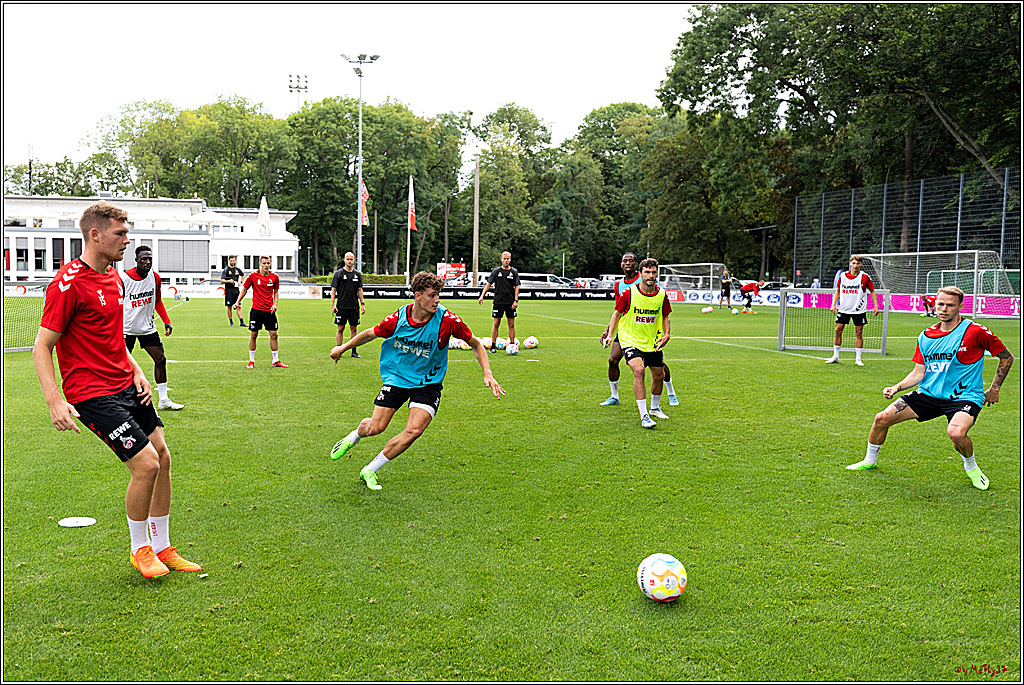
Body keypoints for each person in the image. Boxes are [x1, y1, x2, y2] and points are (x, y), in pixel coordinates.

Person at [32, 200, 200, 578]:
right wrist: (54, 399)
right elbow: (42, 346)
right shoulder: (67, 284)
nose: (127, 241)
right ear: (95, 235)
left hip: (126, 383)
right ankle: (140, 550)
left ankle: (163, 547)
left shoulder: (114, 277)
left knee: (163, 457)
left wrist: (137, 370)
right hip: (92, 393)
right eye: (120, 234)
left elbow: (113, 339)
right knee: (146, 464)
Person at [328, 271, 505, 490]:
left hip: (429, 383)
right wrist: (342, 348)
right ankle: (354, 436)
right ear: (417, 295)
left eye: (438, 295)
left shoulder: (448, 320)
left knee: (414, 431)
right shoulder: (398, 318)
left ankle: (370, 469)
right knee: (375, 427)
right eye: (431, 295)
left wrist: (488, 373)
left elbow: (476, 344)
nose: (437, 300)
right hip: (398, 377)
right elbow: (370, 334)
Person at [846, 287, 1013, 491]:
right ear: (935, 304)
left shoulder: (975, 331)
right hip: (929, 394)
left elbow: (1006, 357)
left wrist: (994, 389)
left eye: (950, 305)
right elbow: (919, 373)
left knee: (956, 433)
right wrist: (897, 387)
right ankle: (869, 460)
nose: (944, 309)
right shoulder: (926, 335)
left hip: (964, 396)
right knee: (881, 418)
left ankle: (972, 468)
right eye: (940, 304)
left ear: (960, 306)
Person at [600, 251, 678, 407]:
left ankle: (671, 392)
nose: (627, 263)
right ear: (621, 264)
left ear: (636, 265)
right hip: (627, 330)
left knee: (659, 366)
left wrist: (666, 333)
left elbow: (663, 312)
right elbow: (619, 311)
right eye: (625, 261)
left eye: (631, 261)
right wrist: (609, 331)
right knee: (612, 360)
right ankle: (614, 396)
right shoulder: (619, 285)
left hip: (646, 330)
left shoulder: (645, 279)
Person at [121, 244, 183, 410]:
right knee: (122, 367)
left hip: (147, 328)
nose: (147, 262)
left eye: (150, 259)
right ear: (136, 260)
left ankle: (163, 400)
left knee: (160, 360)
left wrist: (166, 320)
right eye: (144, 259)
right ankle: (120, 401)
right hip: (126, 330)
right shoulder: (124, 279)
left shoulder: (155, 277)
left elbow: (157, 300)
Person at [235, 255, 288, 369]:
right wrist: (238, 302)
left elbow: (276, 291)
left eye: (268, 263)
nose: (266, 265)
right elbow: (244, 289)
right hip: (256, 310)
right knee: (254, 334)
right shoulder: (253, 276)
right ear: (260, 264)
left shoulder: (274, 277)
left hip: (269, 311)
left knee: (274, 335)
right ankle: (251, 361)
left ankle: (275, 360)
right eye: (264, 263)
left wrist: (275, 304)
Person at [826, 255, 879, 366]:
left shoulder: (865, 277)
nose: (855, 266)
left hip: (859, 310)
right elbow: (838, 290)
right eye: (853, 263)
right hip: (844, 309)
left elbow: (872, 291)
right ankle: (835, 356)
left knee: (859, 333)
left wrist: (876, 306)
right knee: (837, 330)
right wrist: (833, 305)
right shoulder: (843, 276)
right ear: (850, 263)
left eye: (858, 263)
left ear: (861, 264)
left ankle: (858, 359)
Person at [477, 251, 520, 353]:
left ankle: (512, 345)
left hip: (510, 302)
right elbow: (488, 284)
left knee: (511, 324)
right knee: (496, 323)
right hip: (498, 301)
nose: (506, 260)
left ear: (510, 259)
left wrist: (516, 300)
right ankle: (493, 346)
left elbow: (517, 286)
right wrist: (482, 296)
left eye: (508, 259)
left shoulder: (514, 272)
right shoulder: (496, 271)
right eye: (504, 259)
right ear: (501, 259)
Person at [331, 251, 366, 358]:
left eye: (351, 259)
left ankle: (354, 351)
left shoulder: (357, 275)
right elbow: (333, 290)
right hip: (341, 306)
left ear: (354, 260)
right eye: (348, 259)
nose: (349, 261)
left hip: (354, 306)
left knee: (354, 329)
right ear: (344, 260)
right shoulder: (339, 274)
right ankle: (338, 350)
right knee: (340, 328)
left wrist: (362, 304)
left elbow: (360, 290)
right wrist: (333, 305)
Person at [220, 255, 245, 327]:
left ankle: (242, 322)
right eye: (231, 260)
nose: (232, 262)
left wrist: (241, 282)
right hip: (229, 291)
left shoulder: (237, 269)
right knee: (229, 307)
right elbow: (222, 280)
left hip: (236, 291)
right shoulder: (226, 270)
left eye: (233, 260)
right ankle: (231, 322)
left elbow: (243, 275)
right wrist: (229, 281)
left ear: (235, 261)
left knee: (239, 306)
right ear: (229, 261)